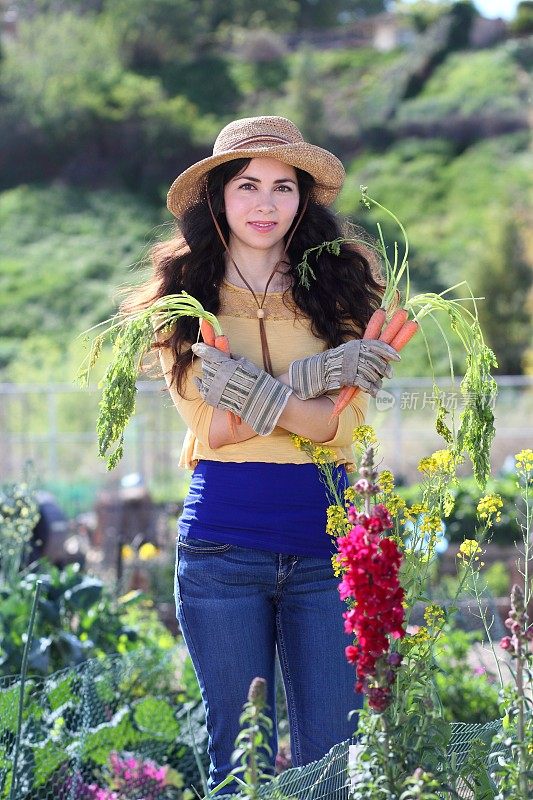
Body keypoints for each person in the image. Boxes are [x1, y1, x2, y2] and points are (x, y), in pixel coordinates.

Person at [128, 116, 400, 793]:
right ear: (217, 197)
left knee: (330, 767)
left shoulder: (336, 289)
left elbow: (341, 432)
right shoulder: (182, 304)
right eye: (247, 185)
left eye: (282, 187)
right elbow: (209, 427)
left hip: (326, 548)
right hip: (223, 552)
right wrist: (317, 382)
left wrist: (252, 393)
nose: (264, 203)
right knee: (236, 765)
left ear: (302, 200)